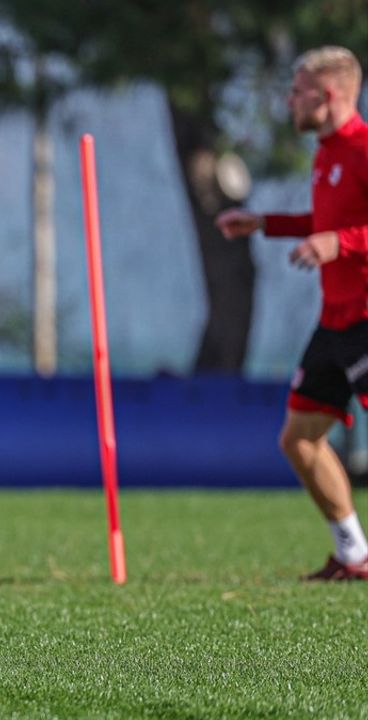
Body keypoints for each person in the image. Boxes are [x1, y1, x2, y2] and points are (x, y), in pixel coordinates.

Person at [215, 46, 368, 581]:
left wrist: (339, 244)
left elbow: (341, 234)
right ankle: (354, 554)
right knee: (298, 438)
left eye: (298, 91)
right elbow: (326, 219)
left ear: (327, 97)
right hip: (335, 322)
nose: (289, 100)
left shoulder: (364, 148)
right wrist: (265, 224)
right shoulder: (327, 152)